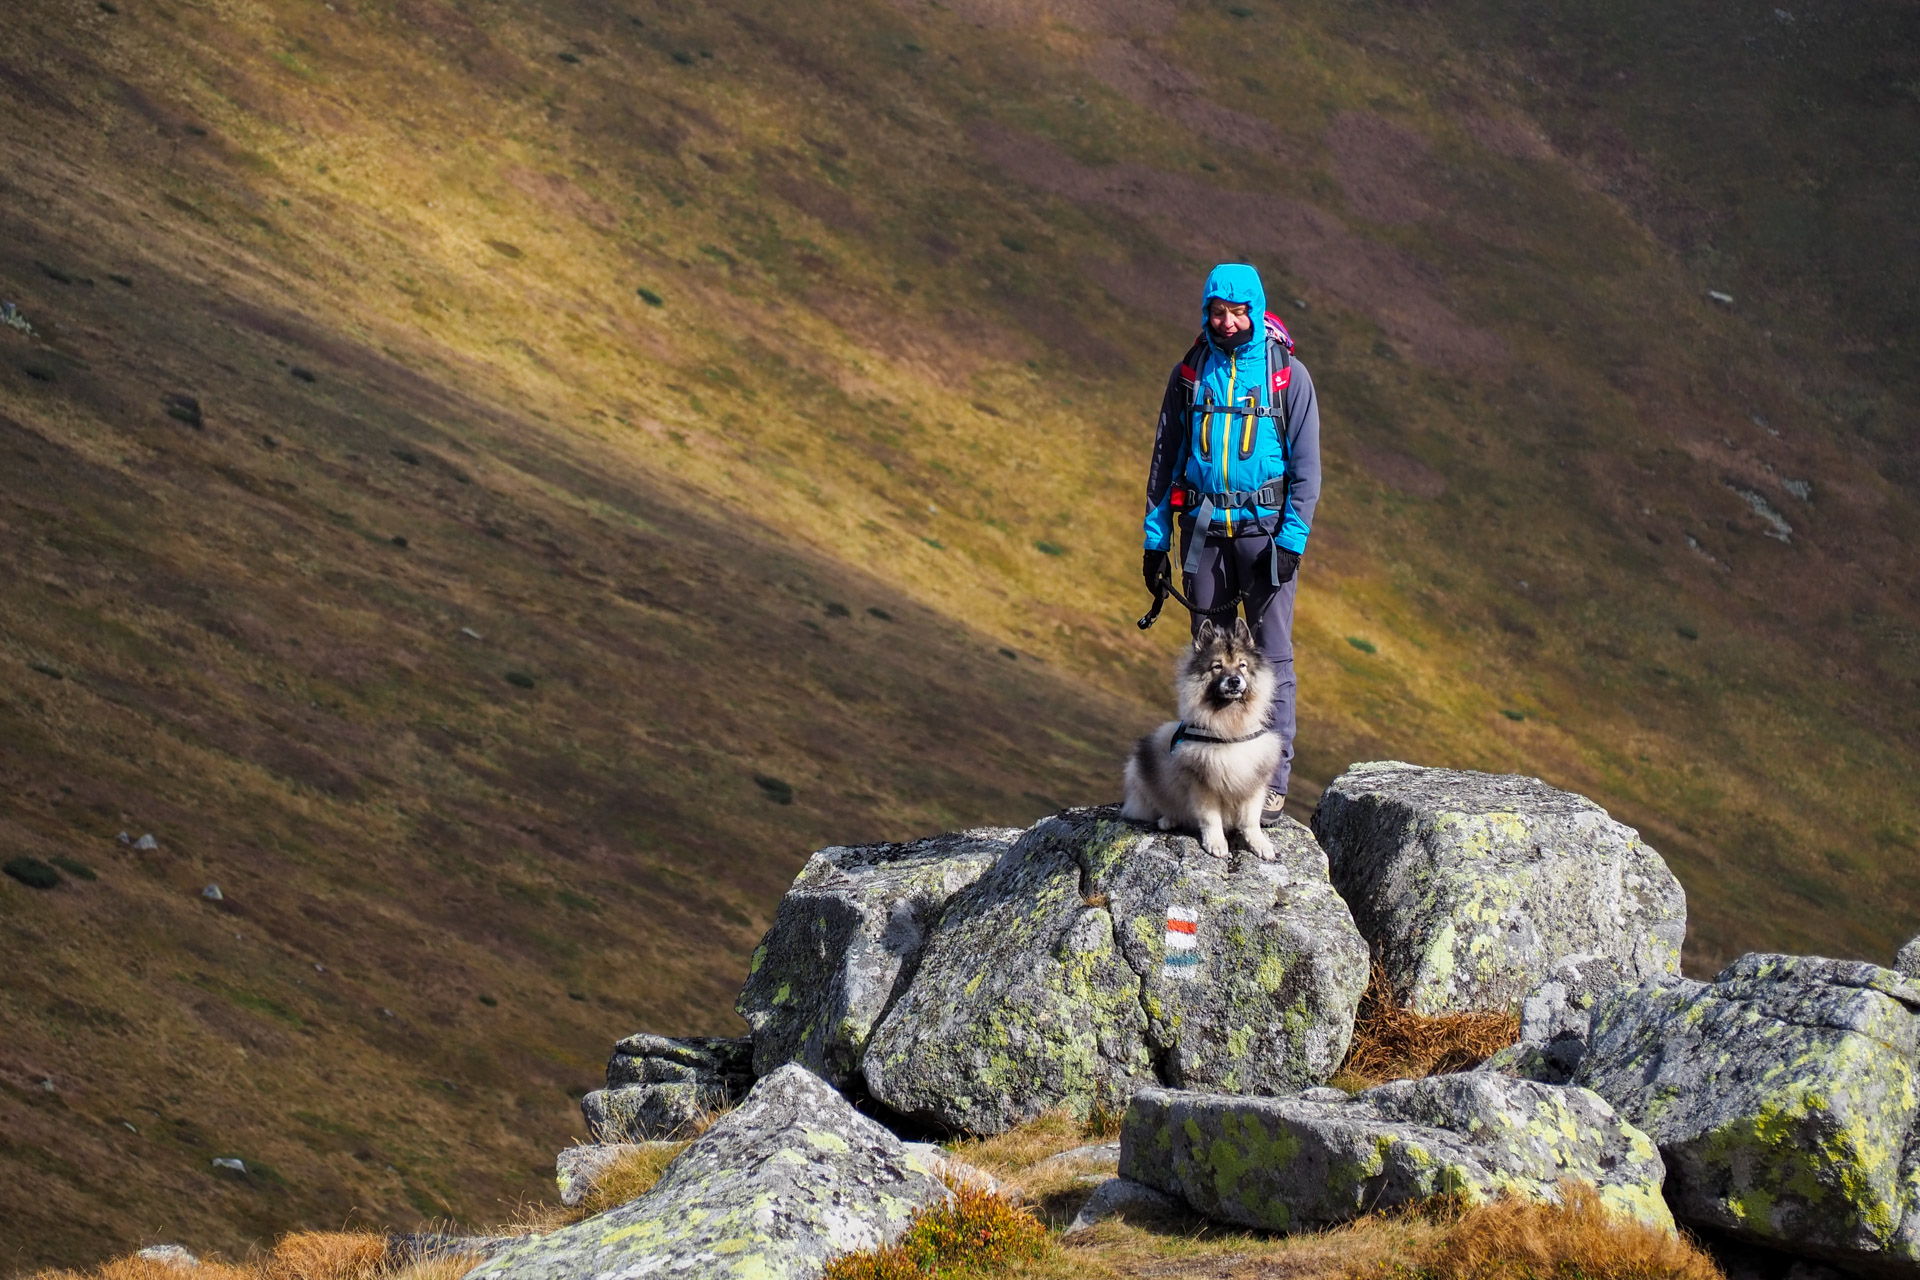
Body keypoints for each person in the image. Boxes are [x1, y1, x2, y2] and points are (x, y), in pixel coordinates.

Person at [1139, 263, 1322, 825]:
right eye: (1216, 312)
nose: (1226, 321)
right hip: (1201, 536)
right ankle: (1212, 786)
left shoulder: (1287, 376)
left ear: (1255, 309)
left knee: (1272, 657)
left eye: (1236, 311)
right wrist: (1154, 539)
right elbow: (1164, 459)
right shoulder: (1190, 374)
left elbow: (1307, 469)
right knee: (1209, 661)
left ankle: (1269, 783)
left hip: (1265, 535)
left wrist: (1290, 541)